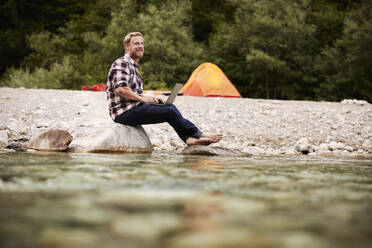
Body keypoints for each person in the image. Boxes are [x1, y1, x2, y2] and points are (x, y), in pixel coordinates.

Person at [106, 32, 222, 146]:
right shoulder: (122, 63)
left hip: (132, 108)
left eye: (142, 43)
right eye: (136, 43)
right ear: (127, 46)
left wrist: (151, 98)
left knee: (169, 107)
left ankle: (189, 138)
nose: (140, 46)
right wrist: (143, 100)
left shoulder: (134, 68)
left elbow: (133, 93)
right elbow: (121, 89)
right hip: (123, 113)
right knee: (169, 111)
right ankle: (197, 135)